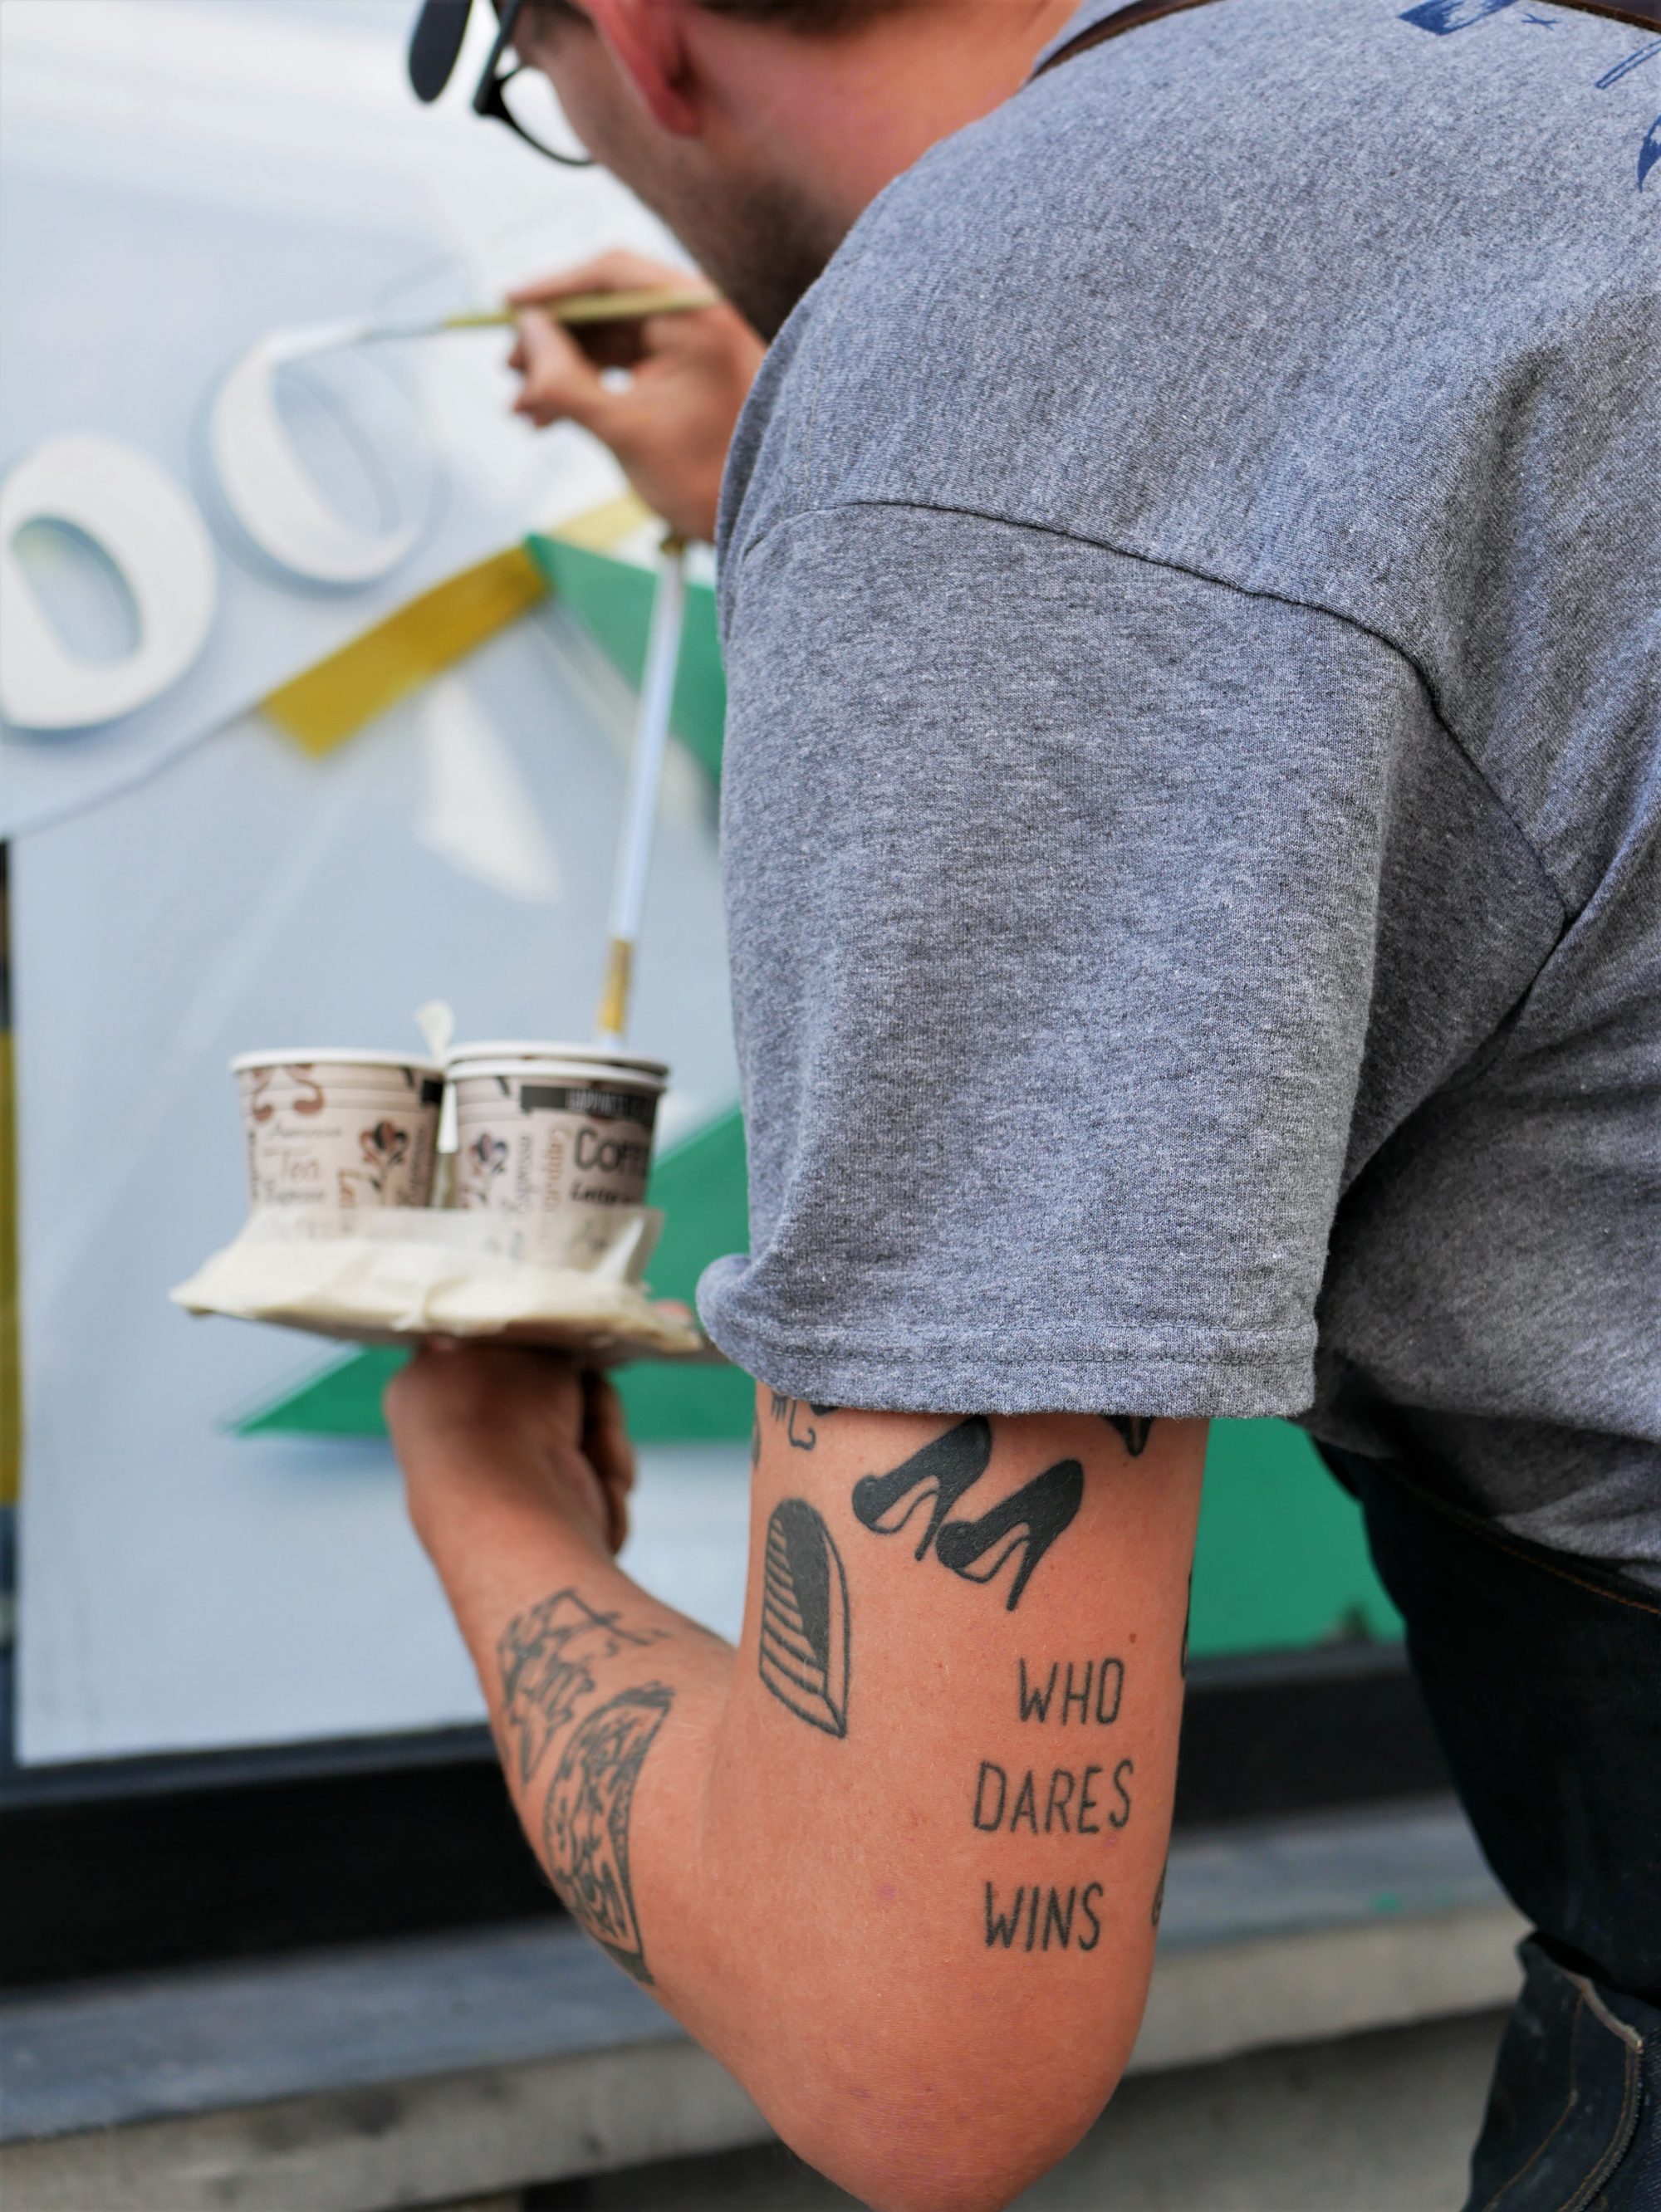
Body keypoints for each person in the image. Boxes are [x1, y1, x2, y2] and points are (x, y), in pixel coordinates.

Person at [390, 1, 1661, 2205]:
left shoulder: (1034, 330)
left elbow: (910, 2030)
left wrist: (489, 1494)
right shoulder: (1557, 105)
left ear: (641, 39)